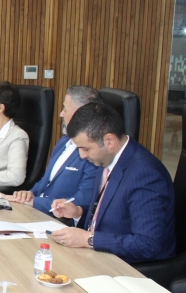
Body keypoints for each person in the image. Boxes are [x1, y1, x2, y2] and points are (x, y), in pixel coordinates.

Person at [51, 102, 175, 263]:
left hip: (130, 267)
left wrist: (89, 239)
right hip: (100, 256)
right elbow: (115, 212)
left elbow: (147, 244)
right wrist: (79, 212)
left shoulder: (145, 174)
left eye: (86, 149)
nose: (82, 156)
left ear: (109, 141)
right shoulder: (107, 158)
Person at [8, 86, 101, 215]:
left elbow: (81, 203)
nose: (61, 114)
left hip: (59, 219)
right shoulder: (63, 141)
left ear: (80, 114)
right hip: (34, 211)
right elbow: (46, 181)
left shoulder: (93, 155)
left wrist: (35, 202)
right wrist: (29, 194)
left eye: (65, 109)